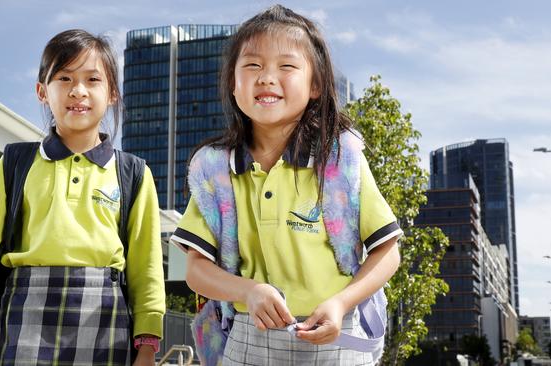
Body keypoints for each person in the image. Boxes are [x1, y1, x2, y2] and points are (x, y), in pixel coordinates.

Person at [171, 5, 402, 365]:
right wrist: (248, 292)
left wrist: (341, 303)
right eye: (252, 65)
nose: (266, 77)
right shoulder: (213, 169)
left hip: (336, 333)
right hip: (249, 336)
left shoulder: (342, 158)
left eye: (286, 66)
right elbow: (195, 270)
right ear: (234, 84)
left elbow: (388, 253)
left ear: (315, 85)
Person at [0, 29, 165, 366]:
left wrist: (147, 347)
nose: (78, 90)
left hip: (107, 323)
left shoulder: (134, 174)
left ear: (113, 94)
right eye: (64, 77)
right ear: (42, 91)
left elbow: (146, 270)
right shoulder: (15, 164)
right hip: (23, 316)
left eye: (92, 79)